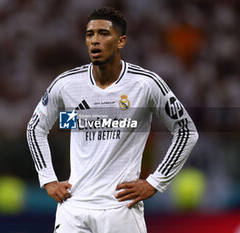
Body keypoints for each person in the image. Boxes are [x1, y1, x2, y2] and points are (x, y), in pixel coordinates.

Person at [27, 7, 198, 233]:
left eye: (103, 34)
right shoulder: (66, 84)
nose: (95, 41)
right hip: (74, 208)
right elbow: (35, 129)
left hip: (121, 208)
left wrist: (156, 181)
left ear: (121, 41)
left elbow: (186, 131)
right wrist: (48, 179)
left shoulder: (145, 84)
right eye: (90, 35)